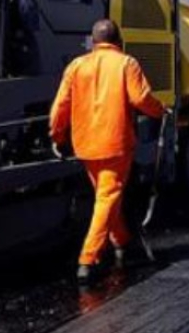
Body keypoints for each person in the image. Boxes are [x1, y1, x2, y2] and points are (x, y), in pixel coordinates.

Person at [50, 19, 166, 284]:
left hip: (85, 145)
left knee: (106, 196)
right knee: (107, 197)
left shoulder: (76, 66)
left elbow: (60, 106)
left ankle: (122, 241)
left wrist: (57, 136)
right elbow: (140, 98)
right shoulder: (126, 63)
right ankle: (87, 260)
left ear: (93, 42)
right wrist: (161, 110)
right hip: (115, 142)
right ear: (119, 41)